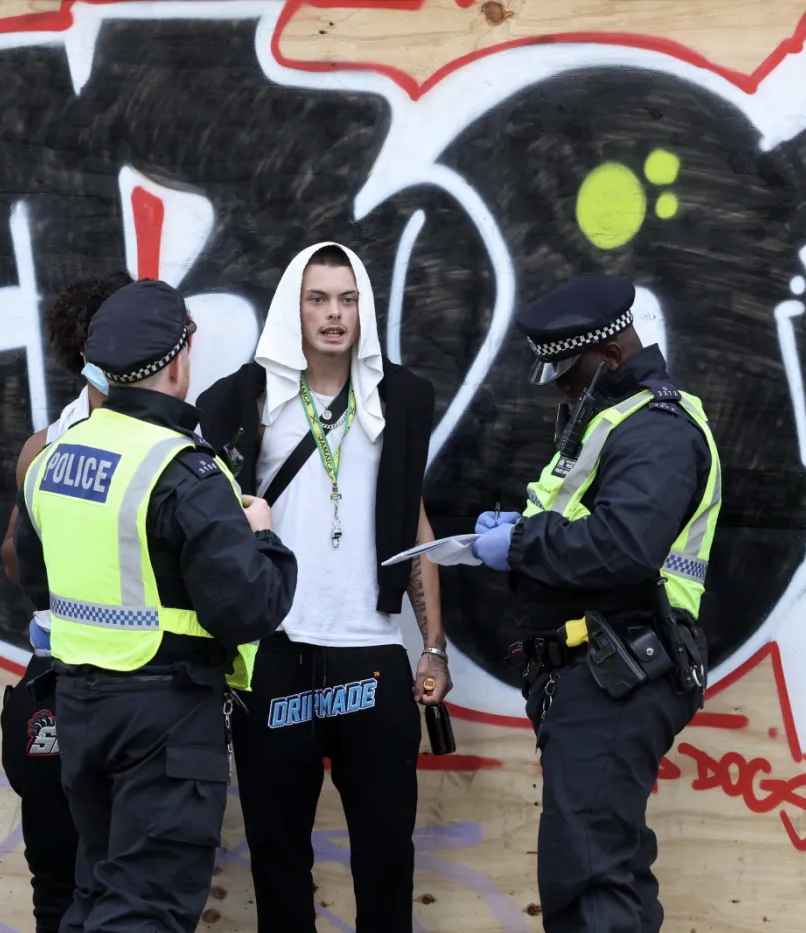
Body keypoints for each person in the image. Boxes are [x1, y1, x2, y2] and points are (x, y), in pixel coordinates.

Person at [11, 278, 298, 933]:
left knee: (98, 895)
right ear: (180, 359)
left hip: (82, 709)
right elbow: (250, 605)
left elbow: (38, 581)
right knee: (147, 910)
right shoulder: (183, 469)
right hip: (165, 718)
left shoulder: (53, 460)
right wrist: (264, 537)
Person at [196, 242, 444, 933]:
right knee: (277, 861)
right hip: (276, 654)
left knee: (387, 857)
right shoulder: (248, 396)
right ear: (293, 307)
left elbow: (415, 517)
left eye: (347, 299)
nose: (333, 315)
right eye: (317, 299)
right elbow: (197, 508)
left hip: (370, 653)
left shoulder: (402, 398)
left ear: (364, 307)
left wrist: (434, 646)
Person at [470, 273, 721, 933]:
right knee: (605, 871)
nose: (559, 385)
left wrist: (522, 540)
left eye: (567, 372)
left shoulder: (656, 430)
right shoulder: (611, 419)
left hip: (621, 670)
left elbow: (624, 547)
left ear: (609, 355)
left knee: (590, 880)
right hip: (596, 671)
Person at [0, 269, 132, 931]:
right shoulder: (169, 444)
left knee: (60, 885)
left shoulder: (43, 448)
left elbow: (15, 555)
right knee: (126, 887)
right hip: (129, 691)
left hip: (58, 680)